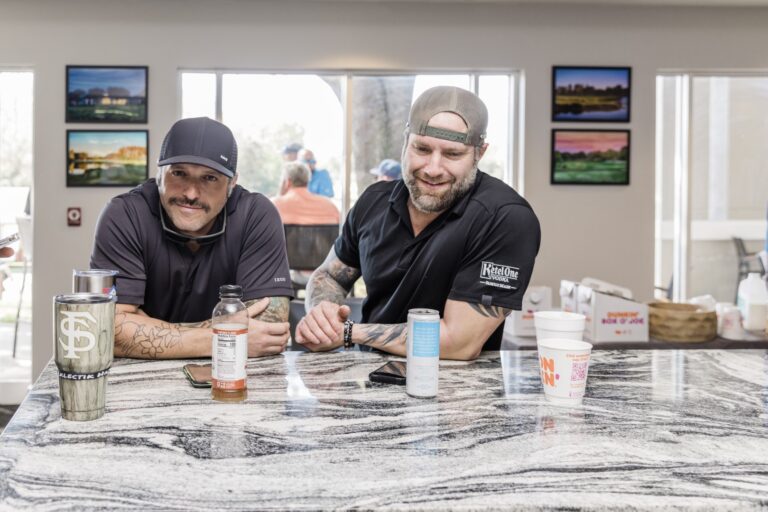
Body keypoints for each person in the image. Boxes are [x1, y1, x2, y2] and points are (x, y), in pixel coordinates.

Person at [295, 86, 540, 361]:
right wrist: (323, 316)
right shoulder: (373, 201)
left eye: (452, 154)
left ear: (479, 153)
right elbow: (330, 275)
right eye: (422, 149)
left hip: (455, 383)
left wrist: (350, 332)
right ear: (405, 142)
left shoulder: (506, 219)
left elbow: (459, 342)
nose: (433, 169)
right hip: (367, 376)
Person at [90, 117, 294, 359]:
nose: (191, 193)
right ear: (159, 173)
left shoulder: (255, 214)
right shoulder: (125, 214)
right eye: (179, 173)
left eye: (210, 178)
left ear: (232, 183)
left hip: (230, 373)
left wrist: (142, 328)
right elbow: (107, 330)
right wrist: (219, 336)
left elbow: (269, 330)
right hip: (138, 375)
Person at [272, 162, 340, 225]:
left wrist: (280, 195)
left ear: (288, 182)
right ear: (307, 181)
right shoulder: (330, 206)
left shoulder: (275, 205)